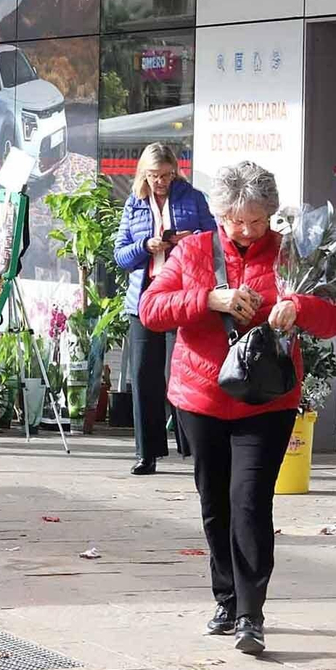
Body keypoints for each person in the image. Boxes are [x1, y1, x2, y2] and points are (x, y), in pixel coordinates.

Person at [139, 161, 336, 655]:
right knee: (216, 505)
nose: (249, 231)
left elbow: (333, 318)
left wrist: (300, 308)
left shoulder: (294, 254)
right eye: (238, 221)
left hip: (267, 401)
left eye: (258, 220)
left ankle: (252, 614)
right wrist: (211, 298)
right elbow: (152, 309)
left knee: (250, 503)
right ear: (220, 215)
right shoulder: (192, 250)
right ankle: (226, 598)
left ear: (272, 214)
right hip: (203, 397)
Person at [113, 143, 216, 474]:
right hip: (145, 298)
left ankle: (191, 446)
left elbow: (214, 241)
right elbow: (121, 255)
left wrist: (188, 239)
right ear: (144, 174)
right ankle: (147, 452)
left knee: (181, 372)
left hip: (182, 295)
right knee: (144, 374)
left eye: (166, 175)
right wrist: (146, 245)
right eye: (154, 176)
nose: (160, 182)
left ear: (176, 171)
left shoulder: (192, 197)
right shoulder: (135, 203)